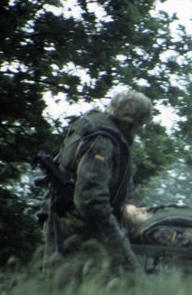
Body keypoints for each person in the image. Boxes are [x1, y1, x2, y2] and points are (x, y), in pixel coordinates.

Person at [40, 90, 152, 279]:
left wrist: (131, 205)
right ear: (129, 121)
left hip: (79, 224)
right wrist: (116, 236)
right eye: (140, 123)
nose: (140, 129)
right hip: (75, 228)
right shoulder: (103, 142)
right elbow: (90, 198)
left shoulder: (109, 136)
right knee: (69, 291)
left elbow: (122, 182)